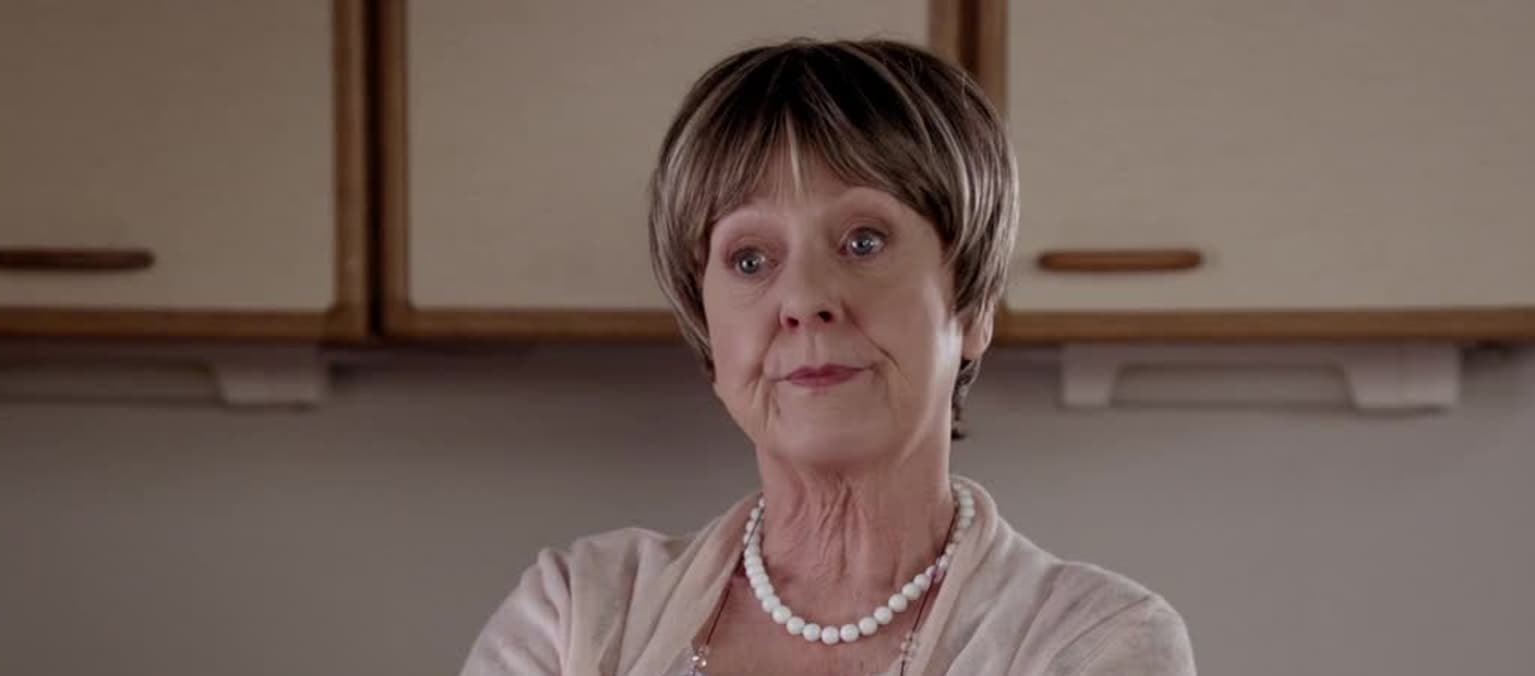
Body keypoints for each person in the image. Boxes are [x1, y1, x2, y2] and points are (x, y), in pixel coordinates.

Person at [462, 39, 1195, 675]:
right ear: (710, 333)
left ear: (971, 308)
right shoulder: (577, 611)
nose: (804, 299)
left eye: (863, 242)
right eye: (750, 259)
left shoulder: (1094, 641)